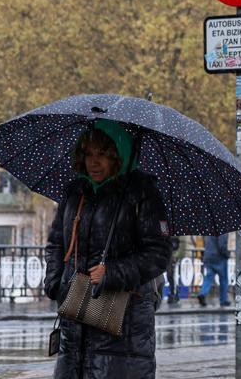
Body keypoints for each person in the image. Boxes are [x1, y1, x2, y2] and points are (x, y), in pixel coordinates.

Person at [44, 120, 172, 379]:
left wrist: (112, 272)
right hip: (76, 319)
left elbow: (158, 253)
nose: (94, 162)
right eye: (89, 154)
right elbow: (57, 242)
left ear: (118, 155)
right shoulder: (76, 191)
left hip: (124, 326)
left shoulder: (142, 194)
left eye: (102, 154)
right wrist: (56, 282)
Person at [198, 234, 231, 307]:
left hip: (208, 256)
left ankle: (202, 293)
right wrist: (226, 254)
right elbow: (222, 244)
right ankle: (223, 300)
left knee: (209, 277)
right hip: (219, 257)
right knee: (223, 279)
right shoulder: (222, 229)